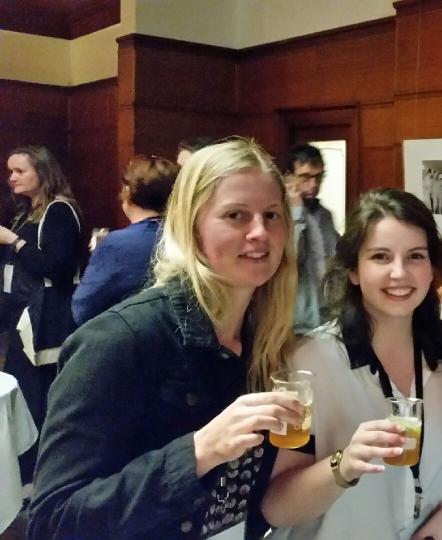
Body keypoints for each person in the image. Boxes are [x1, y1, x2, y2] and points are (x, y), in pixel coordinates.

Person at [29, 139, 305, 540]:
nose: (260, 232)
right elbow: (53, 522)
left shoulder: (267, 341)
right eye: (236, 215)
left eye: (272, 215)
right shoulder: (119, 340)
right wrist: (198, 452)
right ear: (190, 226)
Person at [262, 188, 442, 540]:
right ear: (353, 271)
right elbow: (277, 507)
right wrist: (343, 464)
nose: (399, 273)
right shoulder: (307, 362)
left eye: (416, 256)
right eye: (380, 256)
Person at [0, 145, 83, 484]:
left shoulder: (60, 211)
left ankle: (39, 479)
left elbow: (57, 268)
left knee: (37, 400)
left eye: (20, 171)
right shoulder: (26, 212)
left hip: (46, 321)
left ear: (43, 173)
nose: (11, 178)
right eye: (10, 172)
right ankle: (23, 476)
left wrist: (13, 242)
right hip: (22, 316)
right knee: (25, 396)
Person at [71, 154, 178, 325]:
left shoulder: (117, 243)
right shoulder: (188, 236)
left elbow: (83, 308)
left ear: (128, 192)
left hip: (132, 337)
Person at [284, 144, 340, 336]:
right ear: (288, 176)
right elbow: (291, 259)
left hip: (327, 314)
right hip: (296, 320)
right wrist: (296, 213)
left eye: (318, 177)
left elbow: (335, 260)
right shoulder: (278, 216)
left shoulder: (325, 215)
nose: (314, 185)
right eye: (305, 177)